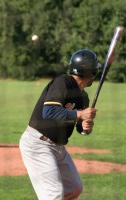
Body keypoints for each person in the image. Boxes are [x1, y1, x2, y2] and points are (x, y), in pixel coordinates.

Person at [19, 49, 101, 200]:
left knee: (74, 188)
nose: (95, 76)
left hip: (58, 147)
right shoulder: (62, 83)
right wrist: (79, 114)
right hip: (38, 143)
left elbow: (79, 127)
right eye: (94, 71)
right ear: (88, 72)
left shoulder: (83, 97)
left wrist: (85, 128)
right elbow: (49, 112)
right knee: (53, 194)